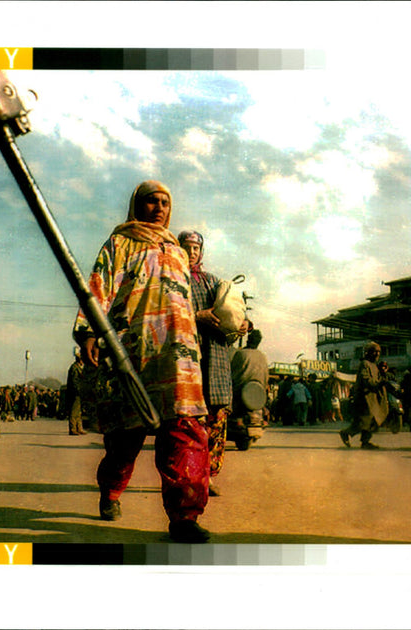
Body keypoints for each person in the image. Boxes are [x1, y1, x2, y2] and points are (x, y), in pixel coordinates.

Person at [73, 180, 211, 543]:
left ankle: (184, 517)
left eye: (165, 202)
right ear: (137, 205)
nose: (160, 207)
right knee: (124, 435)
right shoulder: (119, 243)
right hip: (132, 350)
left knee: (185, 433)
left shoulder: (179, 252)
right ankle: (111, 491)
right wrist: (89, 332)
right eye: (151, 201)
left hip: (178, 357)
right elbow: (98, 286)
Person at [178, 230, 246, 497]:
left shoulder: (213, 282)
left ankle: (208, 476)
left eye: (196, 248)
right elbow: (167, 314)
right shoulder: (172, 281)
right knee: (190, 425)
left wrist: (242, 324)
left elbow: (233, 309)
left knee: (216, 422)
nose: (192, 252)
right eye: (187, 247)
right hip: (188, 359)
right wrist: (196, 316)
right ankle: (189, 478)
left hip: (217, 358)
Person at [339, 341, 387, 449]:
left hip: (372, 398)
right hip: (364, 399)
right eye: (374, 352)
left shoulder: (374, 366)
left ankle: (365, 442)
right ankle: (346, 433)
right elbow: (367, 381)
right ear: (368, 352)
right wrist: (378, 384)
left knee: (371, 421)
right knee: (363, 422)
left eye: (378, 352)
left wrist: (383, 374)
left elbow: (378, 380)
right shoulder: (365, 364)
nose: (377, 354)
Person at [229, 329, 269, 441]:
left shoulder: (240, 353)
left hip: (240, 391)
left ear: (248, 340)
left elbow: (233, 373)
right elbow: (266, 377)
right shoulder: (262, 356)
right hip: (258, 393)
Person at [65, 351, 87, 435]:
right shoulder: (74, 368)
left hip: (78, 392)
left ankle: (79, 428)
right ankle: (73, 429)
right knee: (74, 412)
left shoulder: (77, 367)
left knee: (79, 412)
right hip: (75, 393)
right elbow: (74, 382)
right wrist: (78, 391)